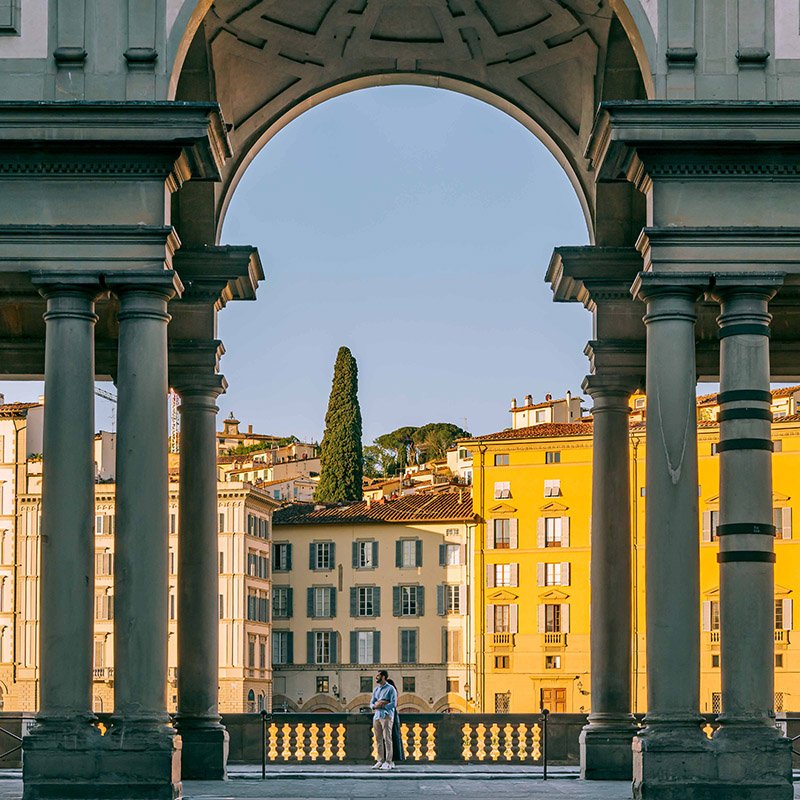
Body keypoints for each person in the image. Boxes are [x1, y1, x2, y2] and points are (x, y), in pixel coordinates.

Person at [370, 669, 397, 771]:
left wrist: (382, 705)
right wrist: (374, 706)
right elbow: (371, 703)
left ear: (384, 677)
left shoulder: (391, 689)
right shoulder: (376, 690)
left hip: (386, 716)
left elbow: (394, 704)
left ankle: (388, 761)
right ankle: (380, 760)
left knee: (387, 739)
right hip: (376, 716)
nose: (376, 677)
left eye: (378, 676)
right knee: (378, 739)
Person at [386, 679, 405, 764]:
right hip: (391, 715)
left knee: (390, 738)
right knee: (393, 738)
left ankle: (390, 760)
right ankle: (391, 760)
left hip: (390, 716)